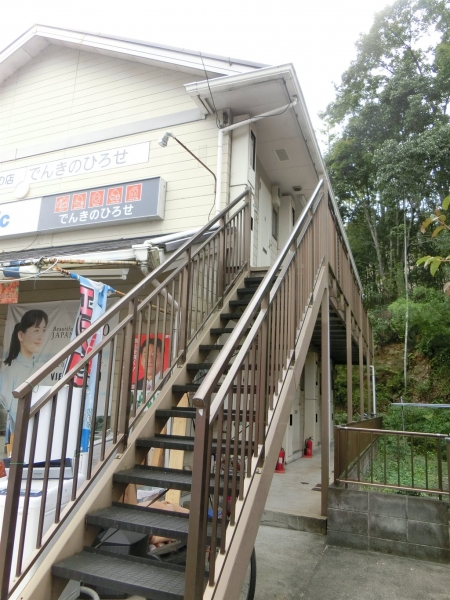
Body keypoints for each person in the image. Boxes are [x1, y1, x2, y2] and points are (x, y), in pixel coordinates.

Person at [0, 309, 48, 444]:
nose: (41, 336)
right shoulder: (10, 372)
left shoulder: (39, 369)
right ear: (21, 335)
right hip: (20, 438)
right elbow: (11, 410)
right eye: (36, 330)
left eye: (43, 330)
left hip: (37, 435)